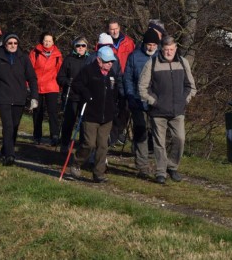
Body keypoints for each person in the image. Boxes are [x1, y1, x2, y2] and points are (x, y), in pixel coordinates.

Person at [139, 36, 197, 184]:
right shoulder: (152, 63)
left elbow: (191, 86)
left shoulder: (183, 63)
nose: (169, 52)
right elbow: (142, 87)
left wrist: (184, 100)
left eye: (171, 49)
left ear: (176, 48)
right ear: (161, 49)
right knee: (159, 143)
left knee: (180, 139)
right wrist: (154, 102)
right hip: (158, 112)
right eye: (166, 50)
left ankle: (172, 167)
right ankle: (160, 172)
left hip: (178, 111)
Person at [0, 33, 39, 166]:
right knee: (7, 126)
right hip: (3, 97)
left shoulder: (23, 58)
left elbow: (32, 78)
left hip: (19, 97)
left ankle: (5, 150)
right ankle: (10, 155)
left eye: (15, 43)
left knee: (14, 127)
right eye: (10, 43)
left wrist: (34, 97)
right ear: (5, 44)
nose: (13, 45)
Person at [70, 46, 121, 183]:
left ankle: (99, 173)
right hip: (91, 114)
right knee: (89, 144)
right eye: (107, 61)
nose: (110, 63)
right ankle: (76, 163)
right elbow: (76, 84)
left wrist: (114, 108)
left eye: (112, 61)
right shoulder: (88, 71)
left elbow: (115, 92)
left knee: (103, 145)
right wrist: (86, 93)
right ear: (99, 60)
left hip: (107, 116)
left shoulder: (111, 75)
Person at [124, 28, 160, 179]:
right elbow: (128, 78)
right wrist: (130, 96)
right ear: (144, 44)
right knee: (140, 133)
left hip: (157, 102)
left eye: (153, 44)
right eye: (148, 44)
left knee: (158, 134)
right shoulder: (134, 56)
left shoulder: (162, 56)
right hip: (138, 101)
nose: (150, 47)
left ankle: (161, 166)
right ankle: (142, 166)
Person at [29, 32, 63, 146]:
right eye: (45, 40)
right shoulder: (35, 52)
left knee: (52, 112)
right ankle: (37, 135)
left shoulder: (57, 55)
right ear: (42, 41)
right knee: (37, 112)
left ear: (53, 42)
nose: (47, 42)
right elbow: (29, 69)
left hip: (52, 86)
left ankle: (54, 135)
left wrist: (61, 85)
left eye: (49, 40)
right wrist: (28, 83)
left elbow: (60, 71)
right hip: (37, 86)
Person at [57, 36, 90, 152]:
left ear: (86, 47)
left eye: (83, 46)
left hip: (84, 96)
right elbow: (60, 77)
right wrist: (67, 81)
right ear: (74, 47)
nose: (80, 48)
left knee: (84, 124)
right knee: (68, 121)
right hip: (71, 95)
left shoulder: (90, 60)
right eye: (78, 45)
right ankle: (64, 144)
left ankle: (82, 146)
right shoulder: (69, 59)